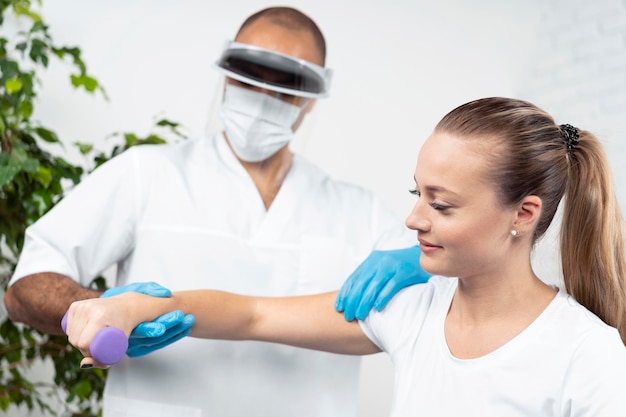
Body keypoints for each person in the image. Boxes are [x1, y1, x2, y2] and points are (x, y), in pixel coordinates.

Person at [64, 97, 626, 416]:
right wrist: (139, 305)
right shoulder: (414, 310)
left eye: (443, 205)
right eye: (417, 194)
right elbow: (256, 314)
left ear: (523, 214)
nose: (413, 221)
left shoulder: (586, 357)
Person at [4, 6, 430, 417]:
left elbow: (427, 305)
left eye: (285, 86)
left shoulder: (361, 212)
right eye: (249, 77)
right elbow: (26, 287)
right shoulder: (146, 172)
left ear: (312, 98)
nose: (263, 98)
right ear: (227, 73)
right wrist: (103, 311)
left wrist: (430, 266)